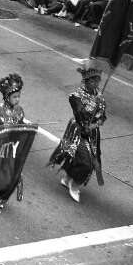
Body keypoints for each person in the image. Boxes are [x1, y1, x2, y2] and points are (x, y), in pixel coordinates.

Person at [48, 66, 107, 203]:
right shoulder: (75, 97)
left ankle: (69, 178)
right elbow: (81, 114)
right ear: (86, 81)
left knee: (93, 161)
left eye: (98, 81)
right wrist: (93, 104)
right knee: (85, 162)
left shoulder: (99, 96)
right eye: (93, 81)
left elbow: (102, 117)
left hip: (92, 133)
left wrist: (95, 124)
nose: (96, 84)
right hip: (78, 130)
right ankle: (74, 186)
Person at [0, 73, 27, 214]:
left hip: (14, 149)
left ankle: (1, 198)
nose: (17, 99)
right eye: (15, 97)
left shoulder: (20, 111)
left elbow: (21, 127)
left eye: (19, 96)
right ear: (6, 97)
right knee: (3, 176)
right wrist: (4, 131)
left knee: (15, 177)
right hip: (0, 149)